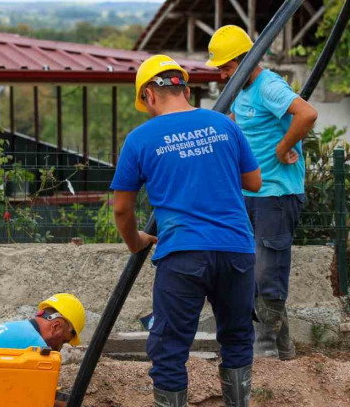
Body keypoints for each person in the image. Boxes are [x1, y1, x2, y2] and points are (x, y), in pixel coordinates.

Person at [111, 55, 262, 407]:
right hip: (236, 249)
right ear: (185, 87)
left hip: (182, 254)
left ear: (149, 94)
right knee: (238, 337)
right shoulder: (224, 125)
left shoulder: (140, 139)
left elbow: (122, 208)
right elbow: (253, 181)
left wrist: (137, 242)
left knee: (169, 347)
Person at [206, 25, 318, 361]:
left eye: (226, 67)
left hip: (277, 194)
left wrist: (284, 147)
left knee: (268, 268)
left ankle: (266, 345)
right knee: (250, 268)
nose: (222, 74)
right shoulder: (242, 90)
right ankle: (282, 349)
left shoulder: (268, 85)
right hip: (252, 192)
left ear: (244, 60)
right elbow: (243, 124)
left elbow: (307, 114)